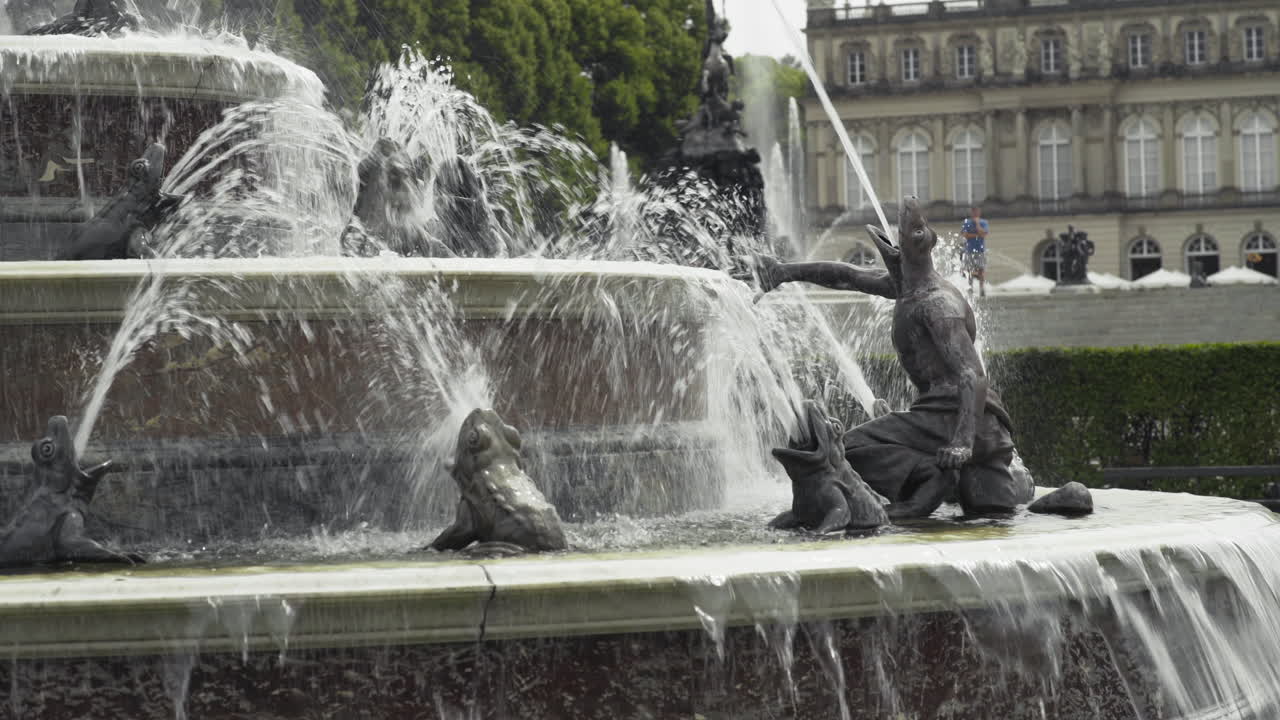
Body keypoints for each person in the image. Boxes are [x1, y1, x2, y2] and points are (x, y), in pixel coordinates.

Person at [746, 197, 1031, 519]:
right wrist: (783, 272)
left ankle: (929, 481)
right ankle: (945, 481)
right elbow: (847, 276)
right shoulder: (907, 288)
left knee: (845, 451)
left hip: (956, 422)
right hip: (970, 429)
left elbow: (973, 375)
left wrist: (962, 442)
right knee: (992, 516)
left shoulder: (936, 304)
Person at [961, 206, 989, 297]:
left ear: (979, 213)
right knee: (969, 270)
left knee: (981, 270)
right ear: (971, 213)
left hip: (980, 250)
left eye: (977, 212)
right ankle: (970, 288)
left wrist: (977, 224)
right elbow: (965, 235)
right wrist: (977, 235)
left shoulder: (983, 222)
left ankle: (982, 289)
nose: (975, 214)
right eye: (974, 212)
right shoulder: (967, 222)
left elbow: (984, 234)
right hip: (969, 250)